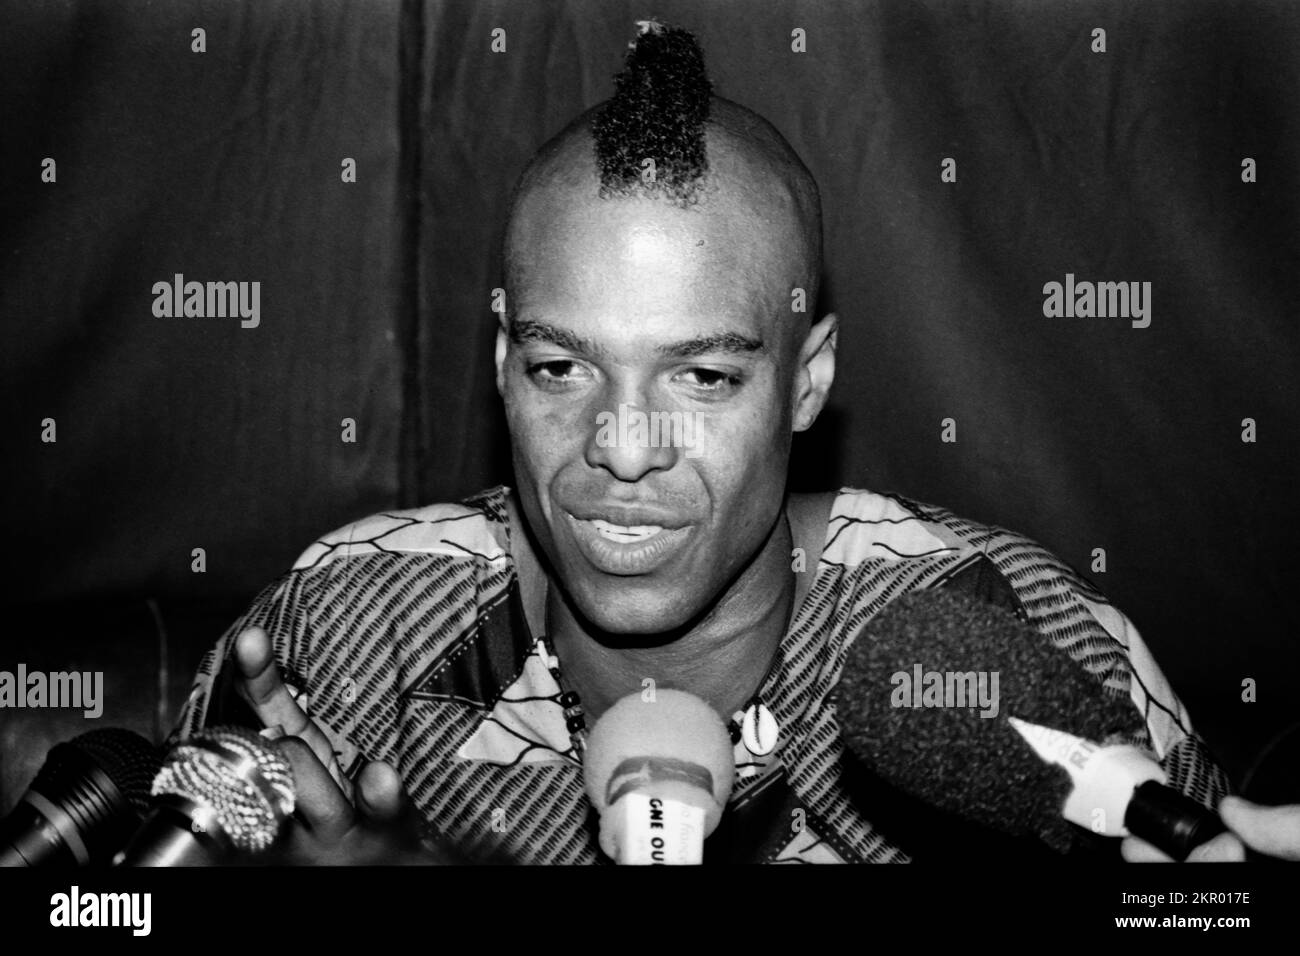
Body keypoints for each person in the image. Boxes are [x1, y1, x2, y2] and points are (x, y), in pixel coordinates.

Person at [171, 20, 1296, 864]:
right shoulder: (351, 635)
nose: (620, 446)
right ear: (502, 359)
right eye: (561, 367)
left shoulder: (1010, 643)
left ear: (805, 381)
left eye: (701, 375)